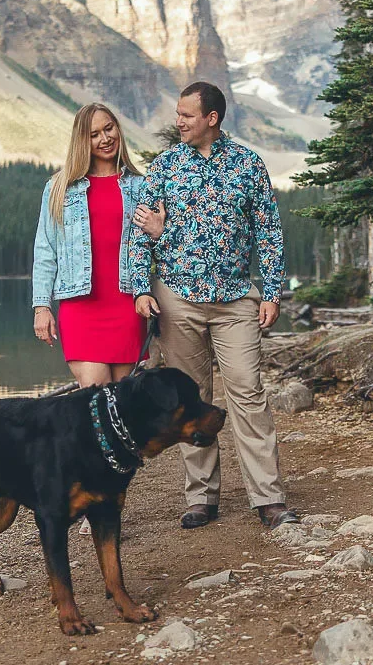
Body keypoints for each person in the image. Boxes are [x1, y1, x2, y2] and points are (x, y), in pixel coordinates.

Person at [127, 81, 296, 530]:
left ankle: (269, 497)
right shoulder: (164, 167)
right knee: (192, 398)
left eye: (186, 115)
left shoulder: (247, 164)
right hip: (177, 301)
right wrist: (142, 289)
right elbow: (139, 235)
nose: (178, 121)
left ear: (212, 118)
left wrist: (273, 291)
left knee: (247, 392)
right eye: (178, 114)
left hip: (237, 300)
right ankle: (202, 497)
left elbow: (270, 232)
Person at [32, 102, 154, 389]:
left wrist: (159, 231)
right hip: (80, 307)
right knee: (97, 398)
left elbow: (154, 245)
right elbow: (45, 250)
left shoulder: (141, 186)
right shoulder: (59, 187)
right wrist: (41, 306)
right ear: (82, 141)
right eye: (94, 134)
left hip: (128, 303)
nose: (105, 139)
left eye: (109, 129)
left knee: (125, 403)